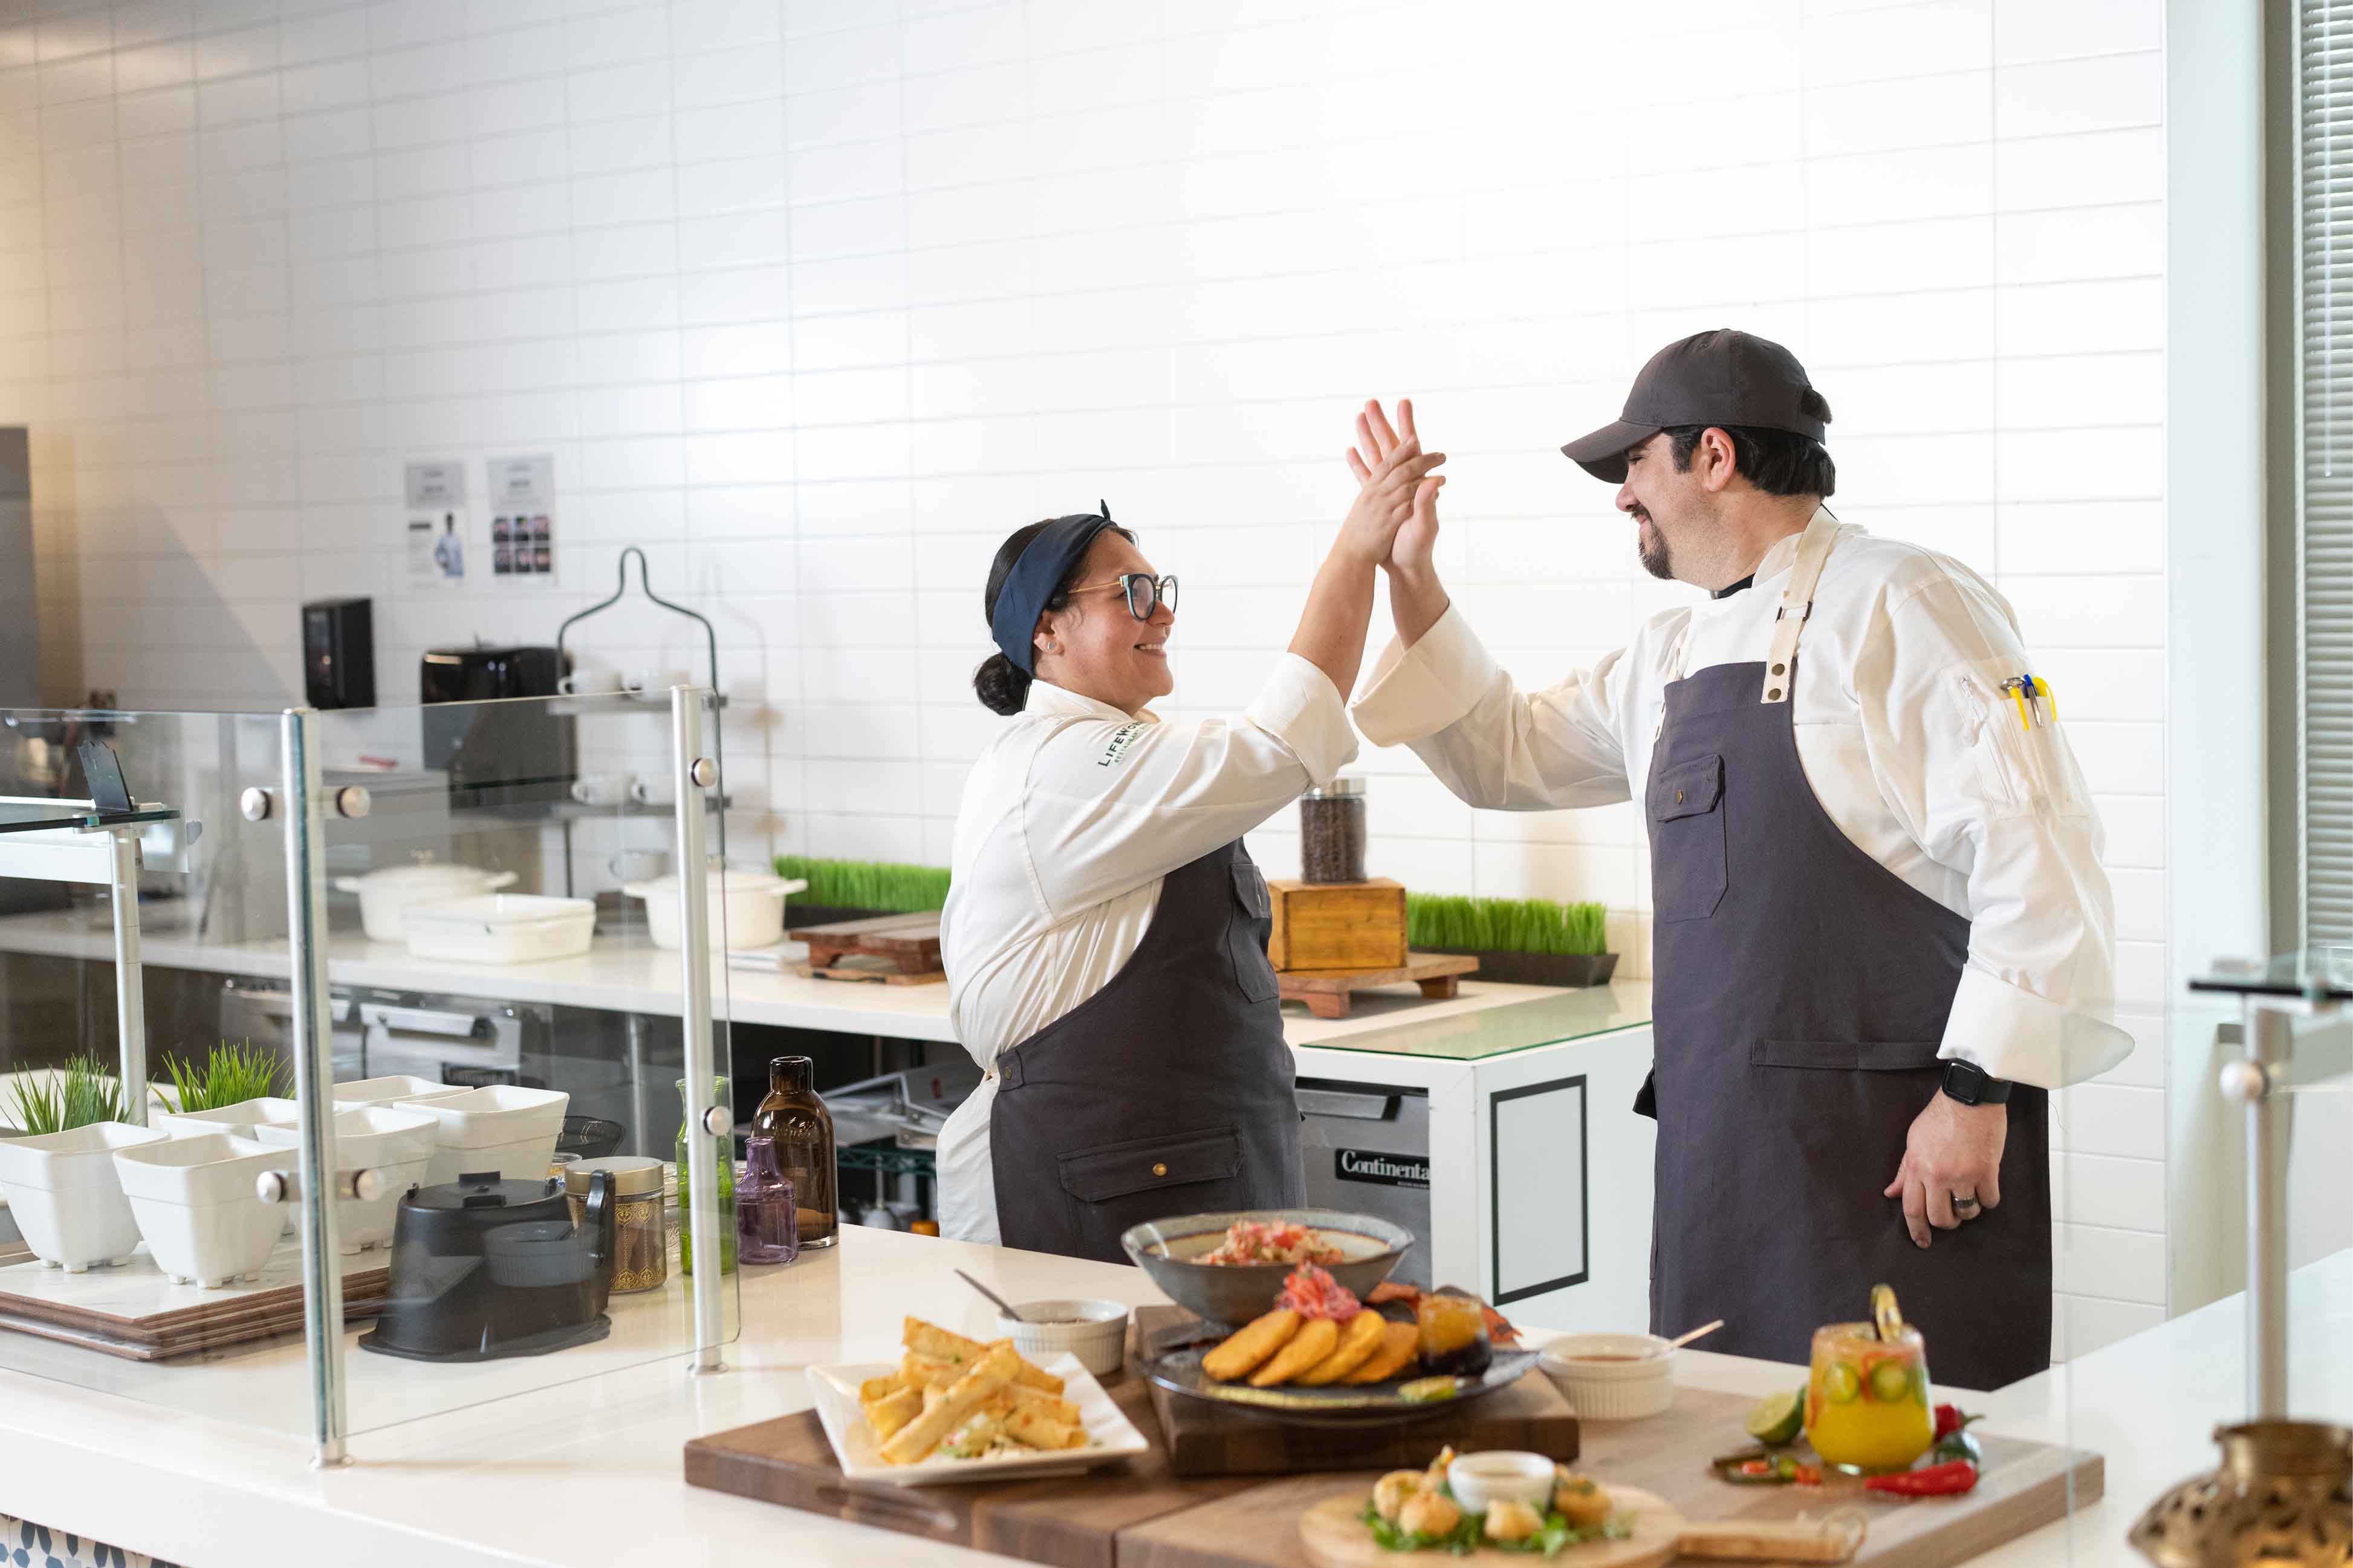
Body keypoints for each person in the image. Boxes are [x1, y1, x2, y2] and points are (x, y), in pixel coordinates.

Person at [1347, 331, 2129, 1389]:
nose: (1624, 497)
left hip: (1892, 1168)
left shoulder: (1902, 601)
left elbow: (2044, 850)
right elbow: (1507, 752)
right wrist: (1410, 572)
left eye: (1634, 464)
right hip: (1729, 1170)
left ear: (1712, 455)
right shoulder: (1669, 657)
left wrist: (1975, 1093)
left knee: (1908, 1498)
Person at [938, 429, 1447, 1260]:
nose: (1162, 610)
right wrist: (1355, 550)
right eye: (1131, 593)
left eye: (1159, 587)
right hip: (1091, 1197)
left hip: (1190, 1179)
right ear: (1047, 632)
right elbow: (1279, 746)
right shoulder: (1061, 768)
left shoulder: (1123, 751)